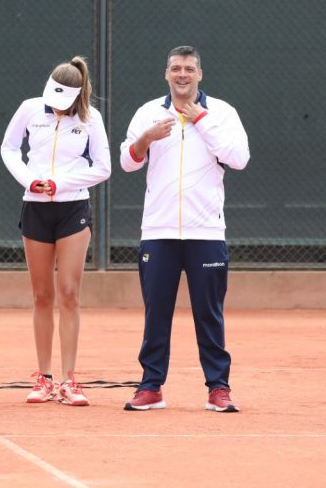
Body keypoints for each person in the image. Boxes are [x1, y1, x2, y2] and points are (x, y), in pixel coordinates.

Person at [119, 45, 249, 413]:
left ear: (199, 75)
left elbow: (239, 159)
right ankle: (151, 387)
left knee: (209, 312)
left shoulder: (221, 113)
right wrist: (146, 138)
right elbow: (127, 162)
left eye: (189, 69)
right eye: (176, 68)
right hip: (158, 231)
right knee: (156, 312)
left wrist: (202, 120)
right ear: (166, 74)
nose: (182, 74)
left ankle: (218, 387)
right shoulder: (148, 112)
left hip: (206, 231)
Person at [0, 57, 112, 406]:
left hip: (73, 209)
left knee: (69, 294)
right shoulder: (30, 109)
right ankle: (45, 378)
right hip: (35, 208)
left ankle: (69, 380)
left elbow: (103, 167)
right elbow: (8, 148)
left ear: (78, 94)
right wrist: (30, 180)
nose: (55, 105)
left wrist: (60, 183)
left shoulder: (91, 119)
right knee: (42, 295)